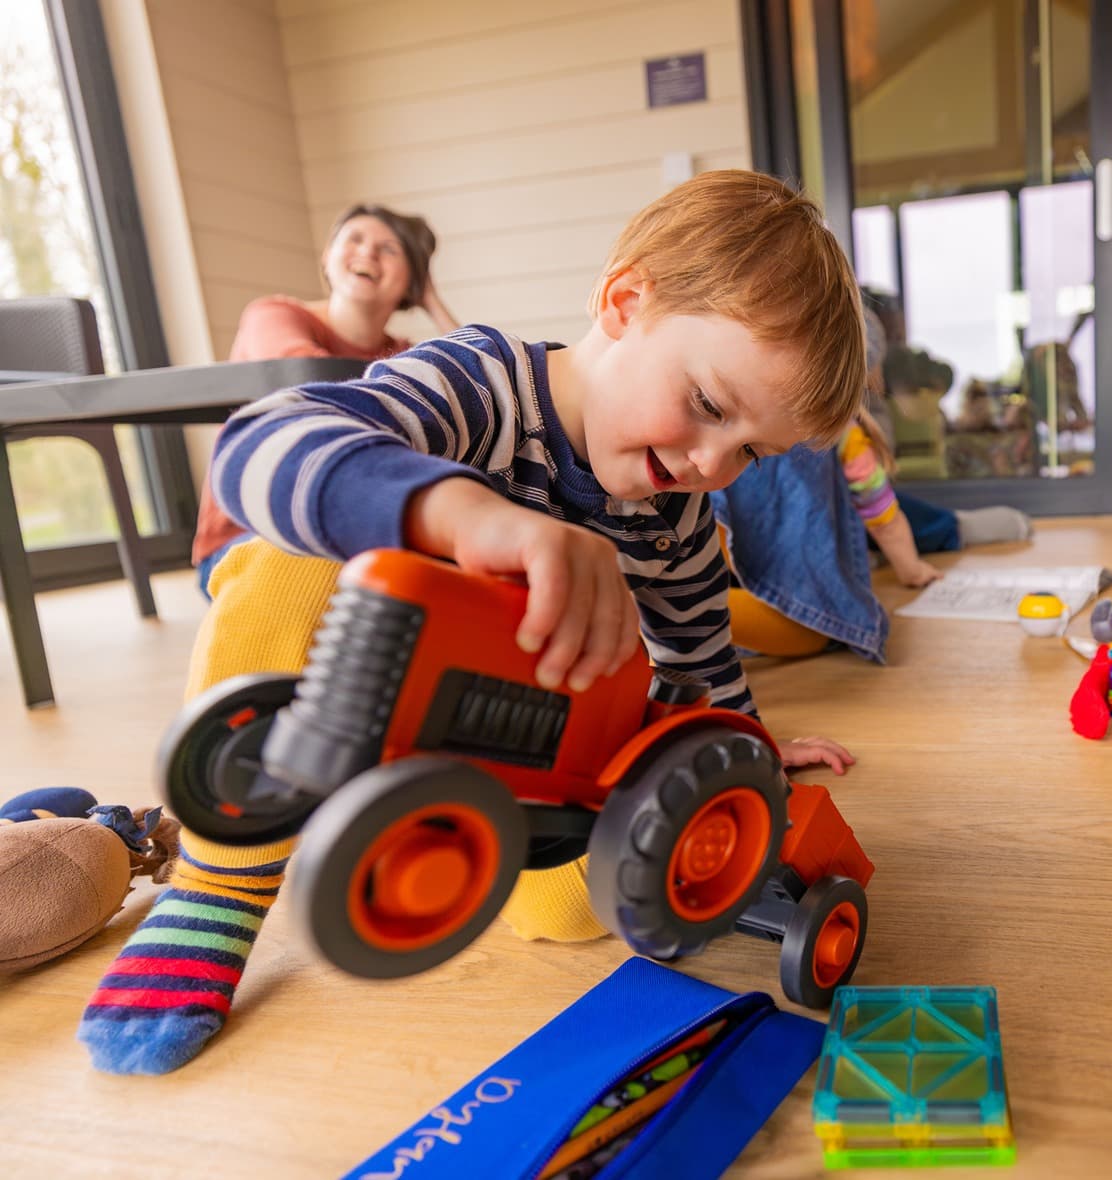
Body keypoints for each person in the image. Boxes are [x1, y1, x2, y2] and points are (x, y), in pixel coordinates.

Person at [78, 171, 866, 1076]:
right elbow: (262, 445)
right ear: (624, 302)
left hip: (481, 727)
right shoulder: (479, 383)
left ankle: (401, 832)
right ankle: (222, 875)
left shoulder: (677, 521)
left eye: (749, 454)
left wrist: (752, 759)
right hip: (349, 647)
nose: (708, 466)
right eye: (709, 407)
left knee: (587, 902)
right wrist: (463, 515)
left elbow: (697, 660)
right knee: (287, 559)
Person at [712, 303, 1033, 662]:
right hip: (771, 589)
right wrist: (911, 570)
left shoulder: (723, 409)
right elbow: (885, 519)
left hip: (705, 559)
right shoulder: (847, 436)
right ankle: (697, 610)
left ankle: (682, 607)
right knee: (820, 625)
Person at [192, 203, 460, 596]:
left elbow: (476, 381)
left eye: (388, 249)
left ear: (412, 283)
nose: (367, 252)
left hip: (357, 530)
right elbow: (307, 378)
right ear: (327, 257)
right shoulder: (275, 316)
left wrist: (433, 303)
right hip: (248, 541)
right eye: (354, 239)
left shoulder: (404, 354)